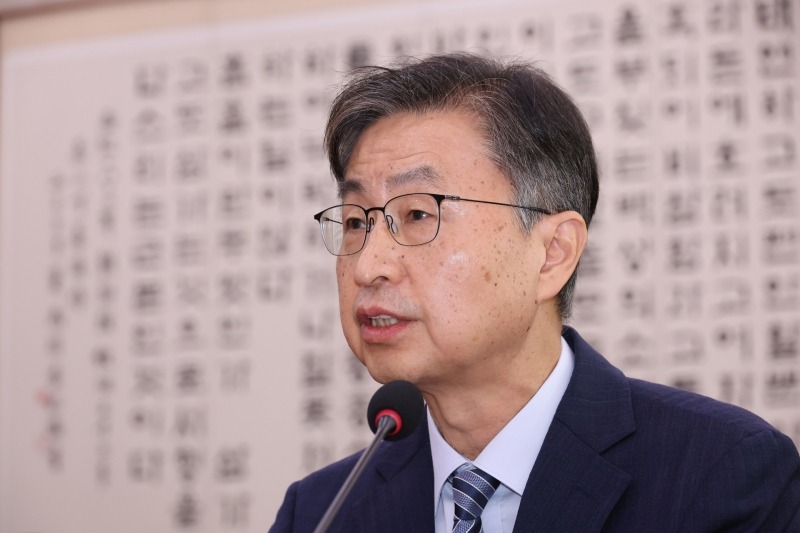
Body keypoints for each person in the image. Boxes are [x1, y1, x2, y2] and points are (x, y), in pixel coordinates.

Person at [270, 53, 800, 532]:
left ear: (553, 253)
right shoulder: (319, 513)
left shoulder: (722, 476)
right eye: (356, 221)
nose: (368, 266)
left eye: (416, 215)